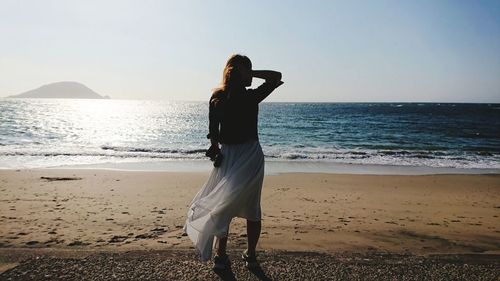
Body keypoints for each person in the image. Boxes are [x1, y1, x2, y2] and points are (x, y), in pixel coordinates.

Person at [183, 54, 283, 270]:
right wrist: (253, 74)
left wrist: (216, 151)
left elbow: (213, 134)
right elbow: (276, 77)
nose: (251, 77)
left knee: (224, 204)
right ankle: (251, 255)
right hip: (250, 155)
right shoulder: (251, 97)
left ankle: (221, 255)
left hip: (229, 155)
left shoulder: (217, 97)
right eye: (248, 71)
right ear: (242, 73)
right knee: (252, 206)